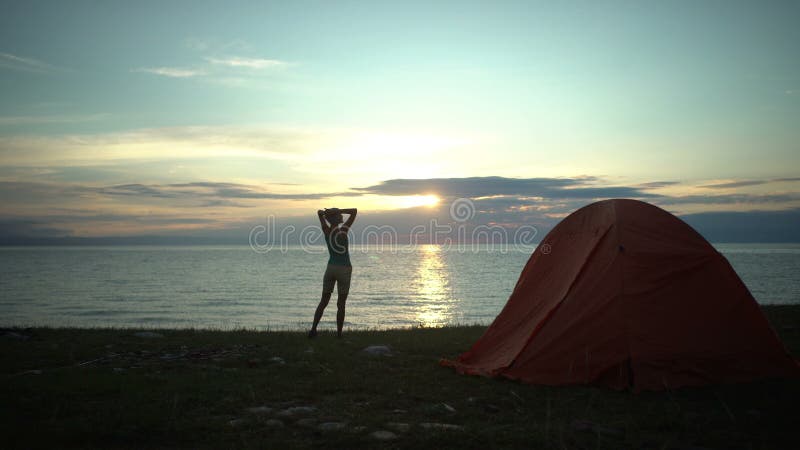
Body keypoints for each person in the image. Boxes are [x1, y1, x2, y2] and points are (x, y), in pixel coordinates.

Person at [309, 207, 357, 338]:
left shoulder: (327, 231)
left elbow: (319, 213)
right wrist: (339, 209)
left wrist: (325, 214)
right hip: (344, 269)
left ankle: (313, 330)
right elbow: (354, 211)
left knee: (324, 301)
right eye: (339, 215)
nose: (341, 216)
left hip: (330, 268)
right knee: (341, 304)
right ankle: (339, 334)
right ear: (337, 217)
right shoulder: (343, 231)